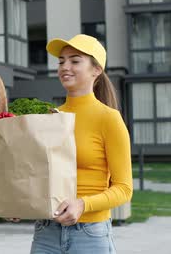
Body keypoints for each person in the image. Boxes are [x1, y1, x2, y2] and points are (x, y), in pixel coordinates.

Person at [25, 34, 133, 253]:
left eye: (75, 61)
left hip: (90, 236)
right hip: (46, 233)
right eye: (61, 61)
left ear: (96, 70)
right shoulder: (50, 116)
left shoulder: (108, 118)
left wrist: (82, 204)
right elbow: (38, 174)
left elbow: (124, 189)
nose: (65, 66)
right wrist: (21, 202)